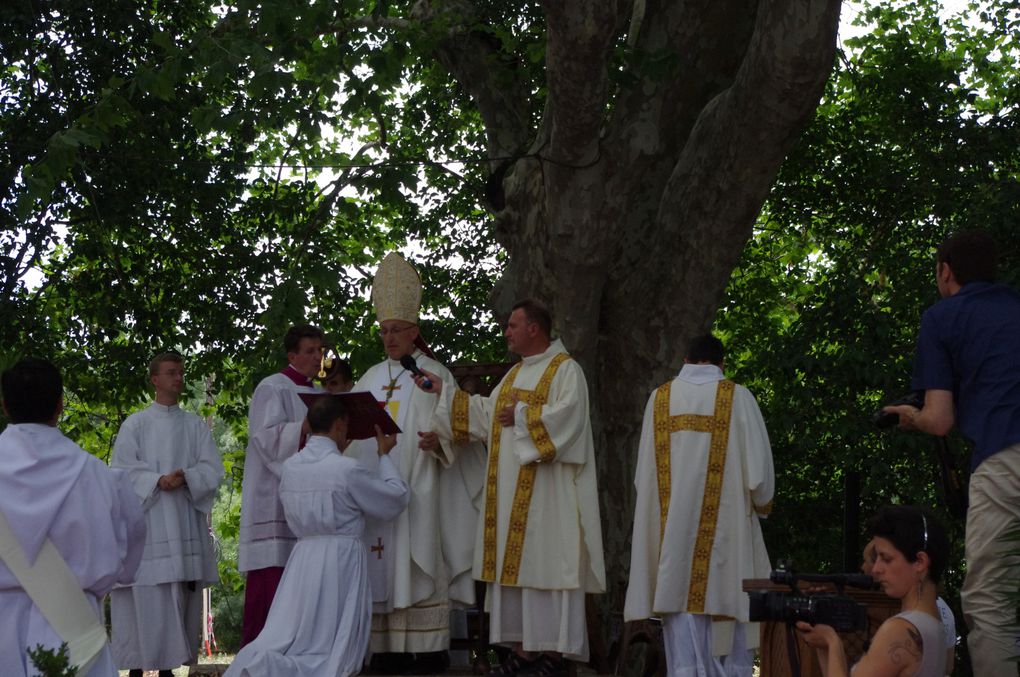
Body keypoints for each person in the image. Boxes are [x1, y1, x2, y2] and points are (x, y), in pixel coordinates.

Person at [413, 298, 606, 677]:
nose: (507, 332)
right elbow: (485, 413)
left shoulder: (565, 371)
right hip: (510, 500)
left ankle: (552, 655)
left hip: (549, 499)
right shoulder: (516, 374)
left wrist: (520, 414)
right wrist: (443, 393)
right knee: (518, 575)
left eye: (512, 326)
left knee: (548, 572)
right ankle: (523, 653)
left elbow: (569, 423)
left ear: (534, 327)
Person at [883, 230, 1020, 676]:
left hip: (1004, 460)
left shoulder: (944, 317)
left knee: (990, 599)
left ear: (945, 270)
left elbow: (939, 419)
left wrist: (910, 415)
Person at [345, 252, 486, 671]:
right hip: (378, 497)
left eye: (397, 330)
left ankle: (427, 652)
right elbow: (352, 440)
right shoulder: (368, 379)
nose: (389, 338)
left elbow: (458, 426)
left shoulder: (434, 375)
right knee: (381, 565)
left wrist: (438, 441)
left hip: (423, 490)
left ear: (414, 332)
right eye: (384, 330)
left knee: (418, 560)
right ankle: (384, 652)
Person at [225, 395, 408, 677]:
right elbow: (393, 500)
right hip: (341, 556)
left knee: (299, 630)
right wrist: (384, 456)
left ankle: (264, 664)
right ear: (339, 425)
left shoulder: (291, 467)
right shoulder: (346, 469)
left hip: (303, 557)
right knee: (332, 634)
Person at [624, 334, 774, 677]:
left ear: (686, 359)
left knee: (684, 658)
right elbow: (761, 480)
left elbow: (641, 477)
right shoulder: (739, 398)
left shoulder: (659, 400)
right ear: (722, 364)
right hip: (728, 552)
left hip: (672, 555)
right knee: (731, 653)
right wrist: (760, 507)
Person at [0, 358, 145, 677]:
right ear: (60, 404)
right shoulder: (101, 477)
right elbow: (129, 557)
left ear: (5, 405)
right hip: (75, 632)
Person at [109, 352, 225, 677]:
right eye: (171, 373)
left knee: (177, 597)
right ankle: (137, 666)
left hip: (182, 520)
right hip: (149, 527)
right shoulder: (136, 424)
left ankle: (168, 668)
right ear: (154, 379)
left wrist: (187, 477)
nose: (178, 378)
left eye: (181, 373)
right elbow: (121, 472)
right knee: (145, 597)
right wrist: (157, 481)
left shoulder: (193, 425)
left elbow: (212, 469)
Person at [238, 324, 324, 646]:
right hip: (272, 497)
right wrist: (303, 426)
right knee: (269, 583)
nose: (318, 357)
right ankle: (256, 657)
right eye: (310, 351)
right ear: (292, 355)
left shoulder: (321, 394)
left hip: (308, 500)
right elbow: (265, 438)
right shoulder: (272, 387)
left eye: (320, 350)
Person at [797, 506, 950, 677]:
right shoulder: (934, 625)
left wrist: (832, 641)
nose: (876, 569)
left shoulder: (899, 630)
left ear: (920, 562)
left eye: (886, 559)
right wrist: (825, 644)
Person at [861, 539, 956, 674]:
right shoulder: (944, 609)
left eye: (867, 561)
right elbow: (947, 667)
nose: (863, 567)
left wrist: (831, 643)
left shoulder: (898, 612)